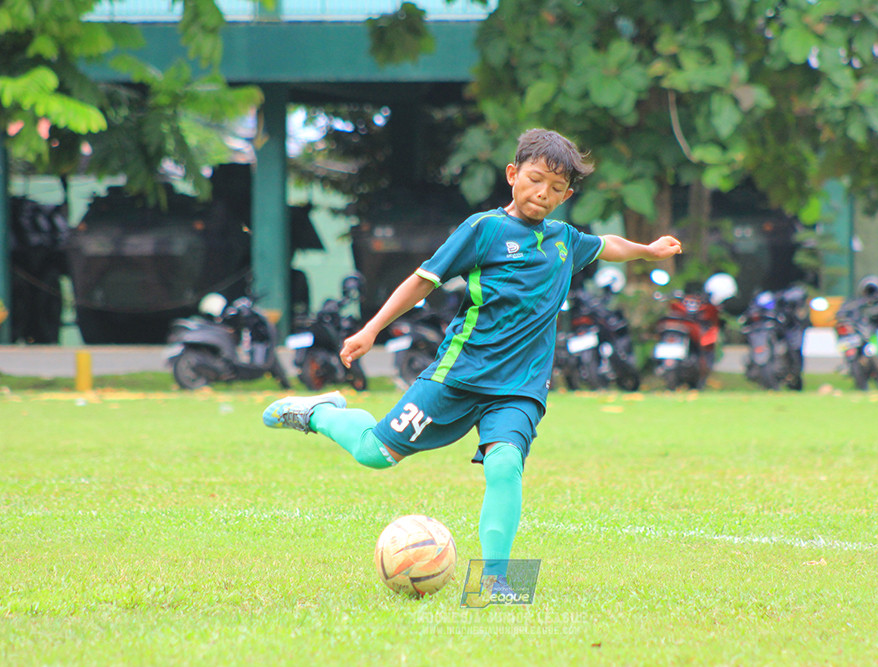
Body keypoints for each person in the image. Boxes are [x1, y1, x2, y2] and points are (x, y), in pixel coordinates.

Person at [262, 128, 681, 587]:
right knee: (374, 453)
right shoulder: (484, 230)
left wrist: (647, 251)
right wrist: (371, 328)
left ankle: (496, 584)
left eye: (557, 188)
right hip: (458, 376)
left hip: (519, 389)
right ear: (512, 174)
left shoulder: (563, 240)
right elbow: (423, 281)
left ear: (566, 195)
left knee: (505, 464)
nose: (543, 193)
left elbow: (606, 245)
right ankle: (320, 411)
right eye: (536, 179)